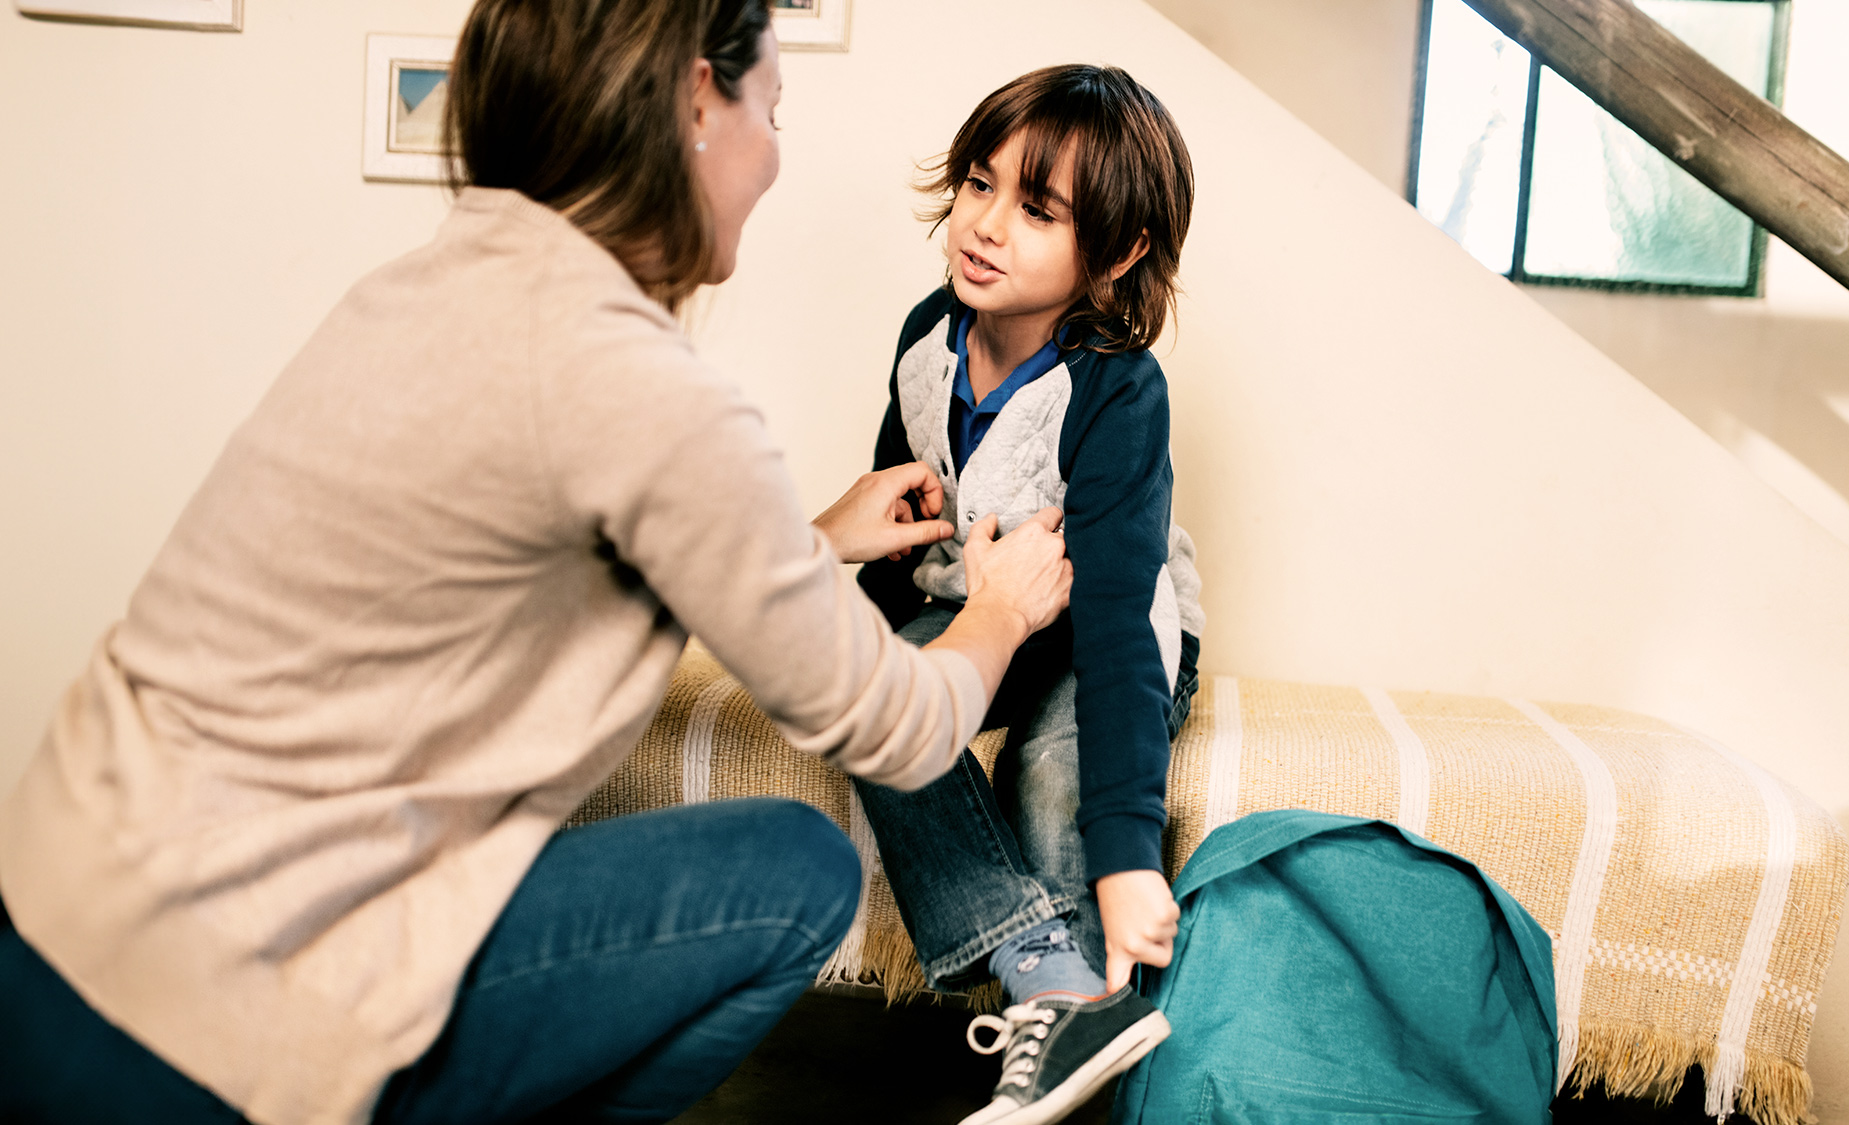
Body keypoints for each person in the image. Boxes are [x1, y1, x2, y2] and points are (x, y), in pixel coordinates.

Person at [0, 1, 1073, 1123]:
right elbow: (895, 724)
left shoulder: (429, 287)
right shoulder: (636, 382)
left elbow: (511, 578)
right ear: (697, 101)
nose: (770, 157)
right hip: (214, 1008)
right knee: (798, 872)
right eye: (770, 109)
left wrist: (805, 545)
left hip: (56, 910)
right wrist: (995, 613)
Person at [852, 65, 1205, 1125]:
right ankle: (1037, 963)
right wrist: (864, 656)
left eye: (1037, 209)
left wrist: (1129, 859)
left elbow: (1114, 628)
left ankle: (1090, 1013)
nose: (987, 225)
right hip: (983, 605)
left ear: (1119, 252)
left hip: (1109, 620)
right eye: (977, 185)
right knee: (875, 706)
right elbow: (898, 523)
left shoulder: (1115, 388)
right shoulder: (927, 334)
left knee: (1054, 772)